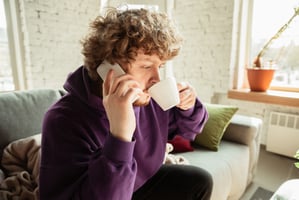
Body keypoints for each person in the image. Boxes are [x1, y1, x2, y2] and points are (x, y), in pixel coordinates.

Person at [39, 7, 213, 200]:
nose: (156, 78)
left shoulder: (148, 98)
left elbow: (189, 131)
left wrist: (189, 107)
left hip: (135, 185)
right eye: (146, 66)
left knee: (199, 181)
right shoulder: (63, 120)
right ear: (108, 68)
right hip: (108, 191)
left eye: (160, 66)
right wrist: (120, 135)